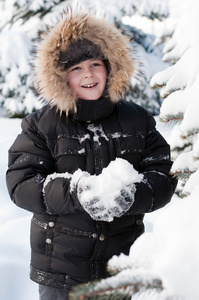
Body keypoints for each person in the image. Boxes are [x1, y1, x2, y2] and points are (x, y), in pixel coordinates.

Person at [6, 9, 177, 300]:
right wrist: (76, 193)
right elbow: (21, 183)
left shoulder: (138, 120)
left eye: (95, 64)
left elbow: (163, 174)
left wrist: (132, 195)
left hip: (119, 269)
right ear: (61, 77)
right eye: (76, 68)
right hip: (60, 271)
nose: (88, 74)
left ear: (110, 68)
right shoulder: (41, 124)